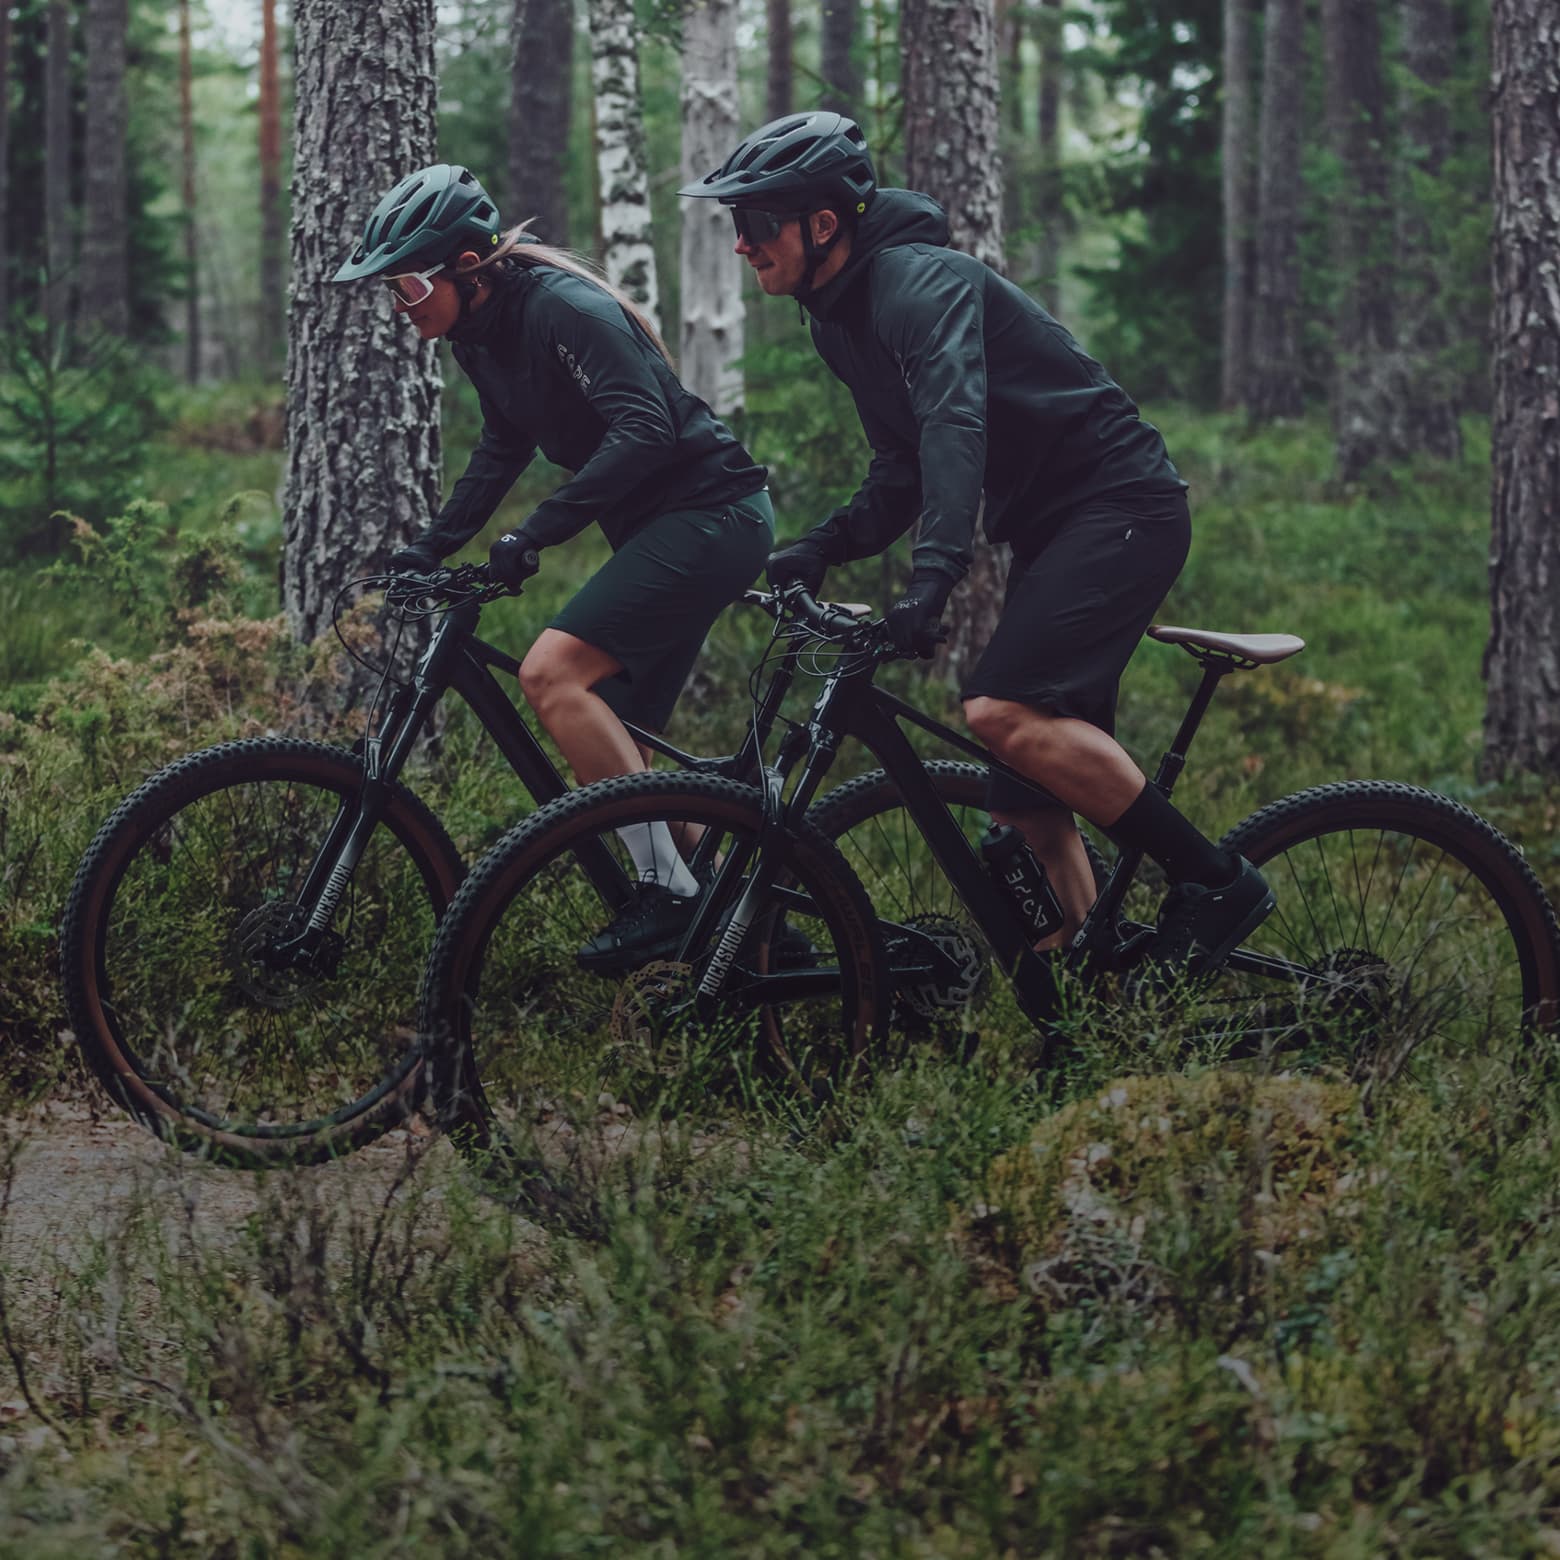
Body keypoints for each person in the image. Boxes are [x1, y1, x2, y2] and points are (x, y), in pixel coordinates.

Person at [680, 114, 1273, 979]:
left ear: (822, 222)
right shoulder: (834, 319)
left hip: (1123, 503)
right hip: (1054, 520)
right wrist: (823, 544)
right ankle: (1100, 1001)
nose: (741, 245)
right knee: (1023, 809)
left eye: (757, 223)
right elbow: (903, 464)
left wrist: (936, 578)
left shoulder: (918, 281)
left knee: (999, 711)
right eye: (735, 225)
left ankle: (1216, 882)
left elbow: (954, 422)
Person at [334, 163, 775, 960]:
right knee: (624, 755)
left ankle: (669, 898)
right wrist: (430, 546)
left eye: (404, 286)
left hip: (714, 516)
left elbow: (645, 429)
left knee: (550, 675)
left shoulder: (564, 310)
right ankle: (754, 922)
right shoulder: (480, 335)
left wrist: (533, 535)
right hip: (661, 530)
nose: (397, 307)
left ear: (465, 268)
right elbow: (502, 448)